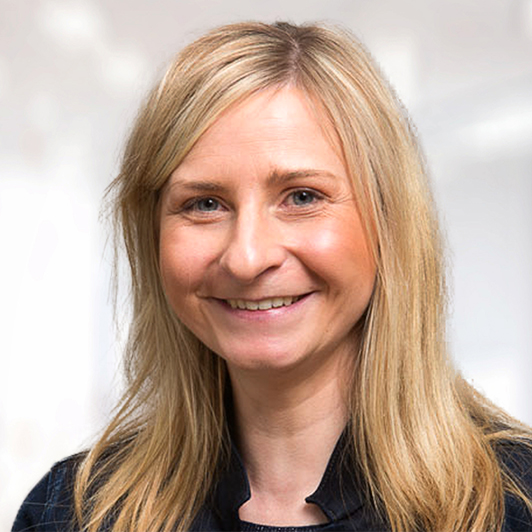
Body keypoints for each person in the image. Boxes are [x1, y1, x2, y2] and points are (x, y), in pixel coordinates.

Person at [12, 21, 532, 532]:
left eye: (302, 197)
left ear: (389, 220)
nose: (247, 257)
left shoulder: (515, 506)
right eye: (205, 204)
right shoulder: (70, 515)